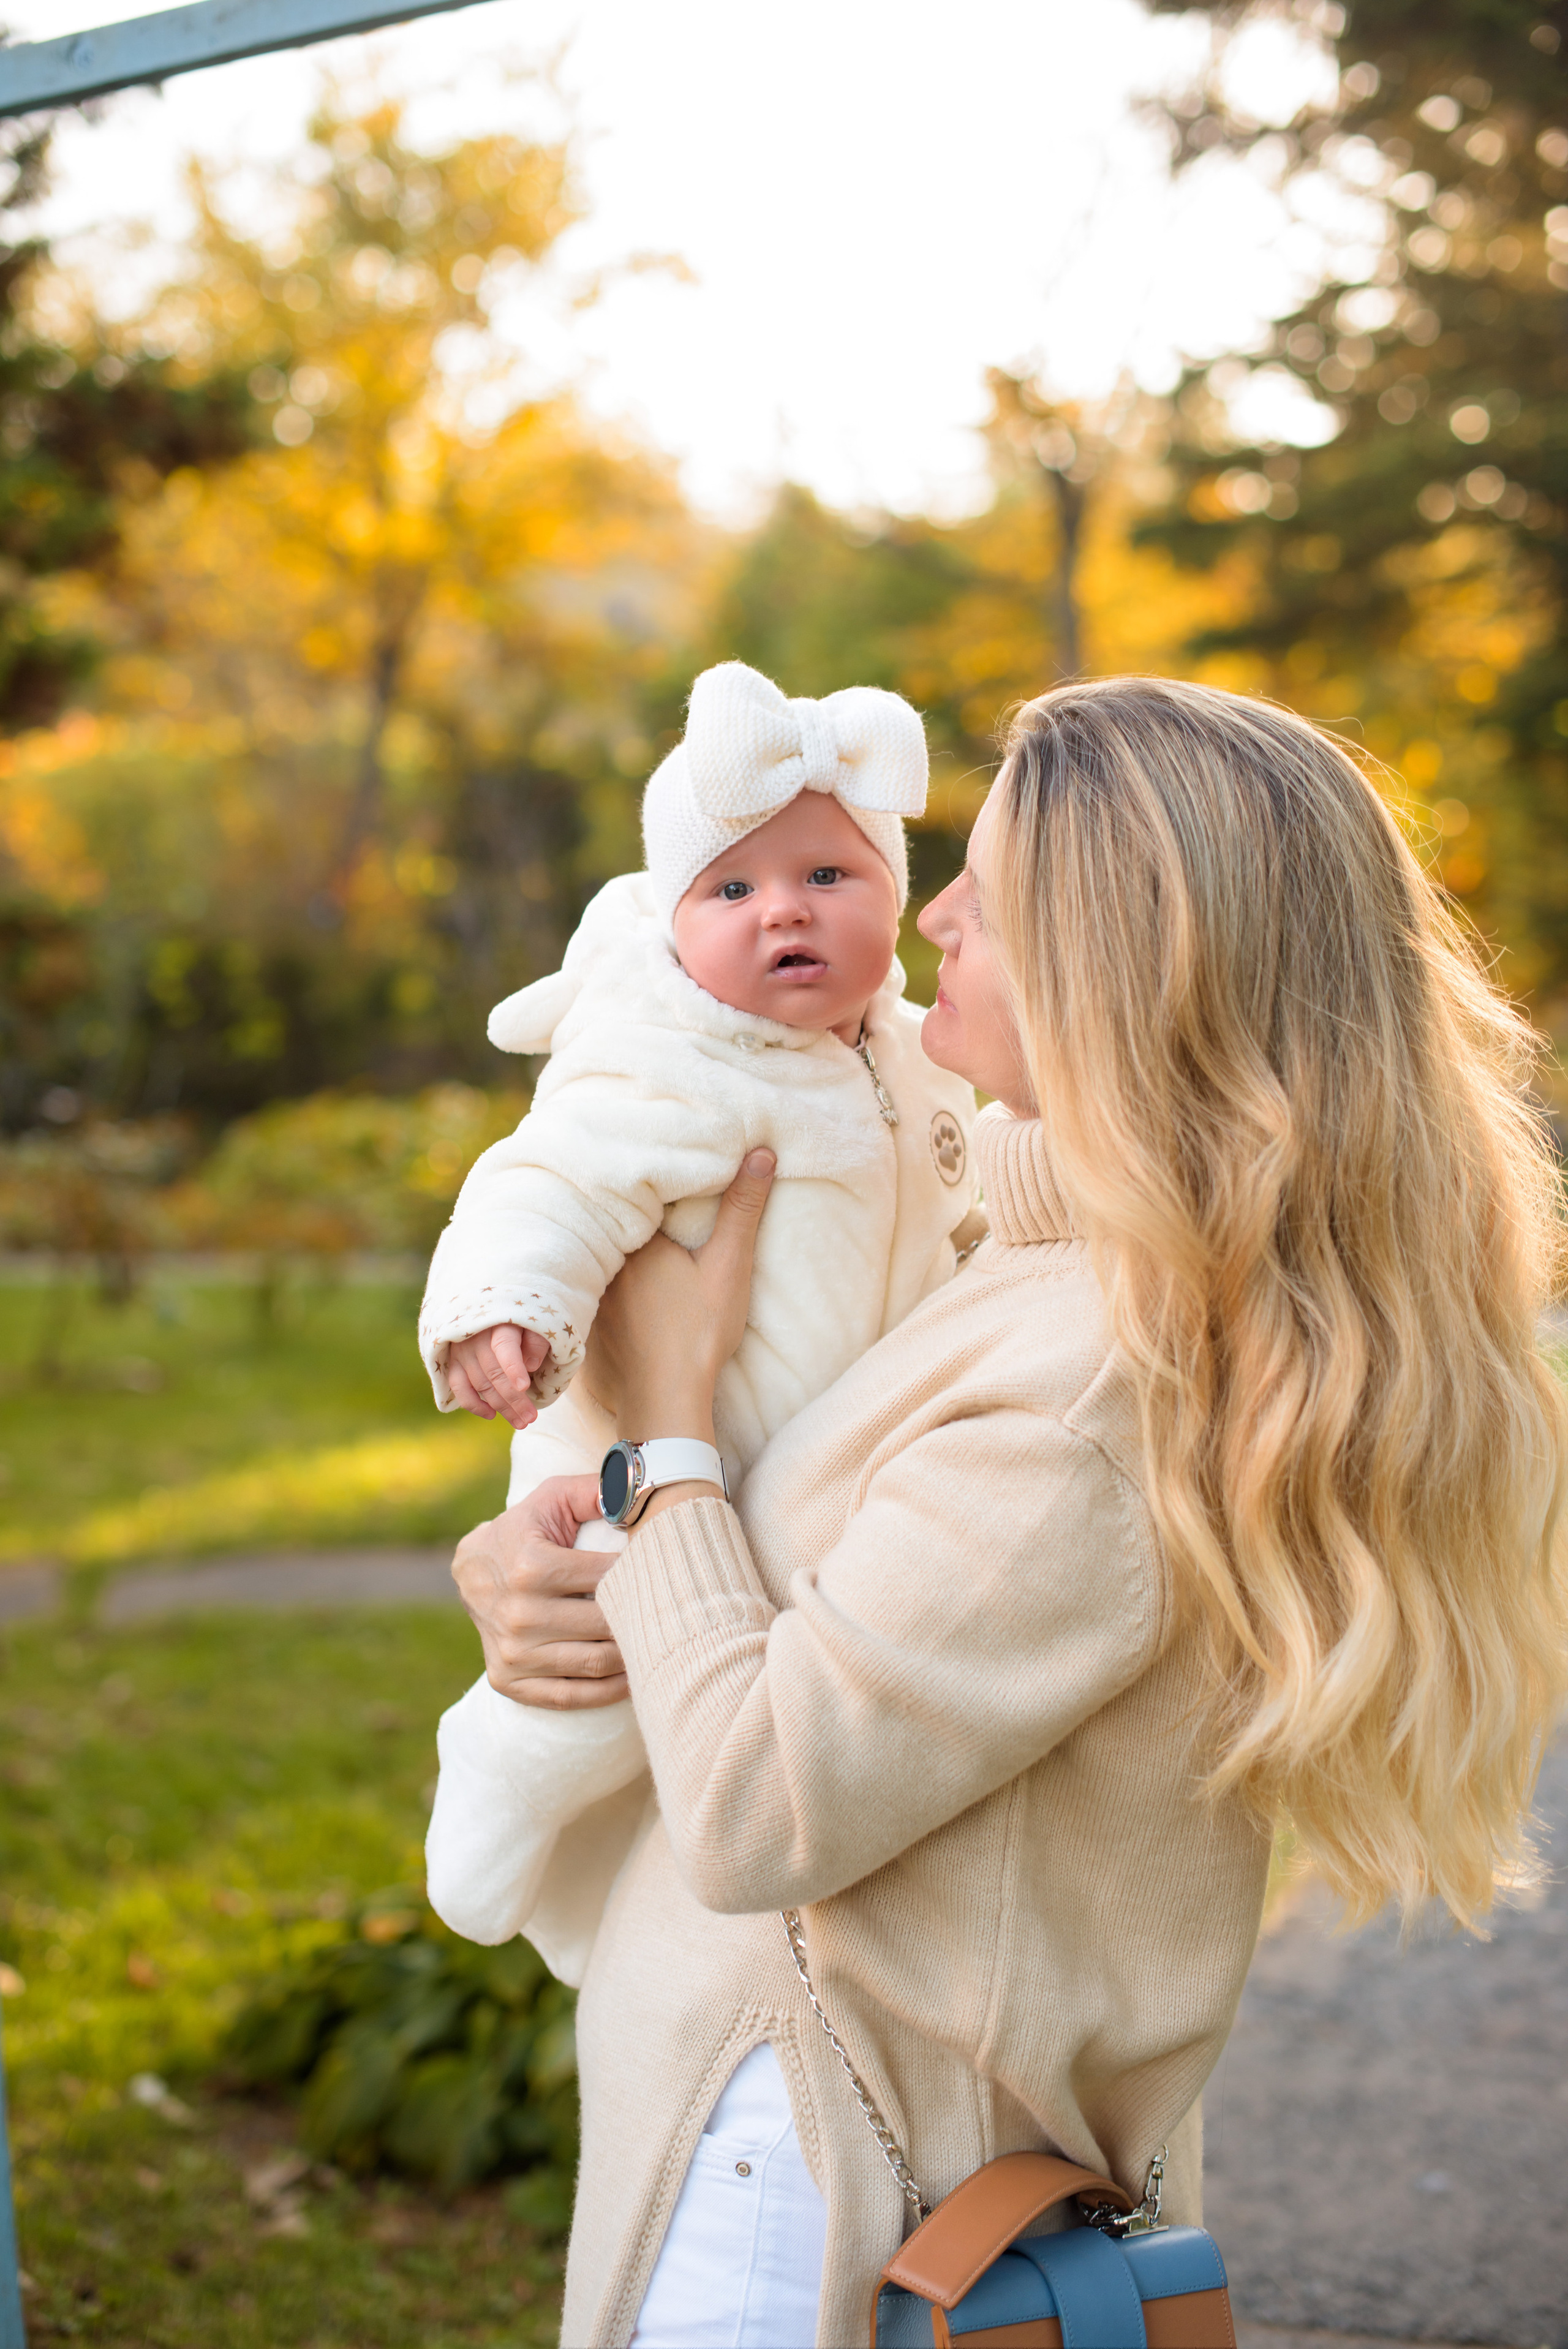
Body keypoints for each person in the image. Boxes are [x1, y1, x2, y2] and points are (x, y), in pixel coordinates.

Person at [443, 677, 1568, 2348]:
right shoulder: (1034, 1268)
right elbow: (809, 1567)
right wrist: (546, 1551)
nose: (934, 910)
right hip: (837, 2143)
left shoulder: (1099, 1385)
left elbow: (759, 1804)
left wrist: (662, 1426)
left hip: (835, 2194)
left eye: (994, 884)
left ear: (1128, 962)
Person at [419, 660, 980, 1978]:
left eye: (825, 878)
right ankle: (492, 1788)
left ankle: (623, 1912)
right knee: (600, 1679)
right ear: (673, 922)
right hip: (638, 1479)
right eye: (731, 890)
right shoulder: (668, 1058)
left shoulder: (912, 1053)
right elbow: (546, 1180)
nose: (781, 910)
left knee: (732, 1730)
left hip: (817, 1483)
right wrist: (508, 1306)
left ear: (895, 896)